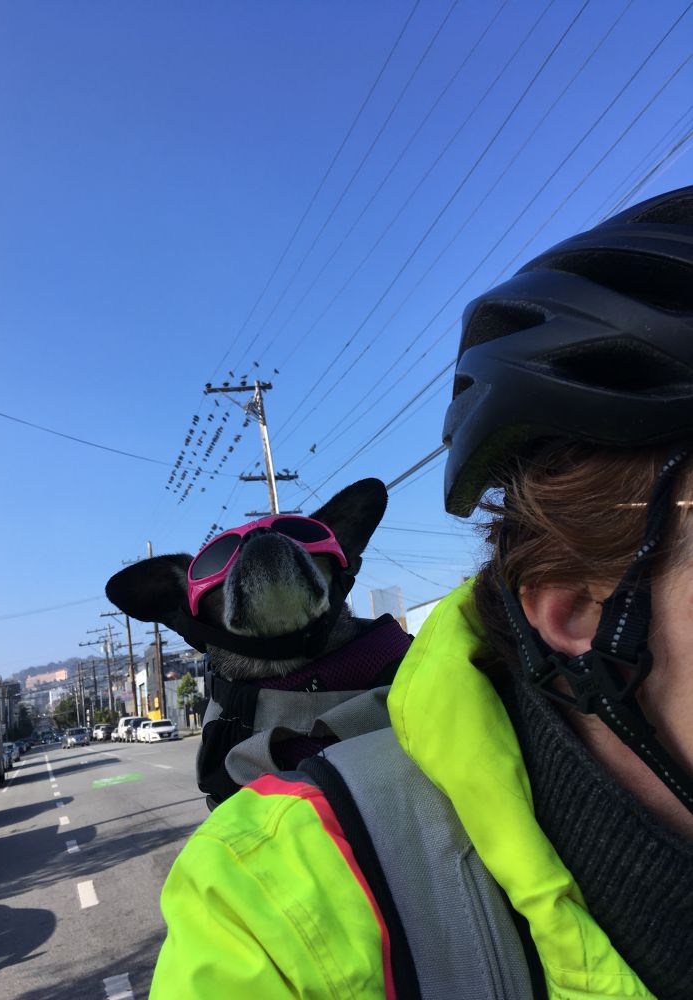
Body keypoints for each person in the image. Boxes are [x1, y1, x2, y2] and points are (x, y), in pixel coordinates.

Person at [148, 186, 693, 999]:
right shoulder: (262, 901)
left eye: (304, 544)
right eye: (220, 563)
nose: (262, 554)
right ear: (576, 605)